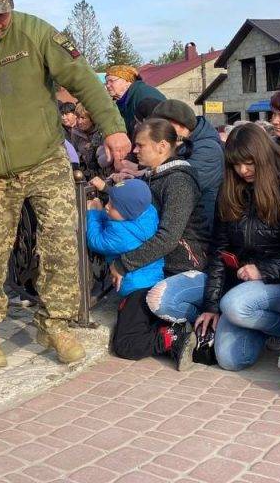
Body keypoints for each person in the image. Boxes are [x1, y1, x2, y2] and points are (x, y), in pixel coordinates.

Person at [0, 0, 130, 369]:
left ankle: (56, 323)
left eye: (3, 14)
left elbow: (84, 81)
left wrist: (112, 127)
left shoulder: (36, 33)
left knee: (62, 240)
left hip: (45, 160)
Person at [93, 118, 209, 368]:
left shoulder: (178, 182)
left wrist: (125, 264)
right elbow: (131, 212)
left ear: (162, 147)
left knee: (154, 307)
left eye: (140, 145)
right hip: (157, 267)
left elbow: (168, 237)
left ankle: (188, 327)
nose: (134, 150)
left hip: (182, 268)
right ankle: (170, 335)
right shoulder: (155, 176)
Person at [194, 124, 280, 372]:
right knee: (232, 359)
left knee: (235, 305)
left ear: (263, 157)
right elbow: (218, 250)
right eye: (235, 164)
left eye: (249, 163)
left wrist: (264, 270)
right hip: (242, 283)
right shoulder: (230, 189)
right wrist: (211, 306)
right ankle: (268, 329)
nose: (242, 170)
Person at [151, 98, 224, 233]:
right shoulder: (181, 143)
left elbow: (178, 184)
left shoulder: (208, 149)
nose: (158, 130)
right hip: (183, 222)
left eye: (162, 125)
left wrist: (149, 172)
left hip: (199, 230)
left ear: (181, 126)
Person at [86, 179, 163, 298]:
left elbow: (96, 241)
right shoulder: (147, 212)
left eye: (112, 205)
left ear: (127, 212)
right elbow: (116, 217)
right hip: (153, 276)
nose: (107, 206)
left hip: (132, 286)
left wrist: (93, 213)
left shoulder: (121, 236)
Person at [105, 65, 166, 138]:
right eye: (107, 82)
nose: (108, 86)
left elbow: (159, 126)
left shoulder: (144, 94)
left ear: (127, 81)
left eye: (111, 81)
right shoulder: (120, 102)